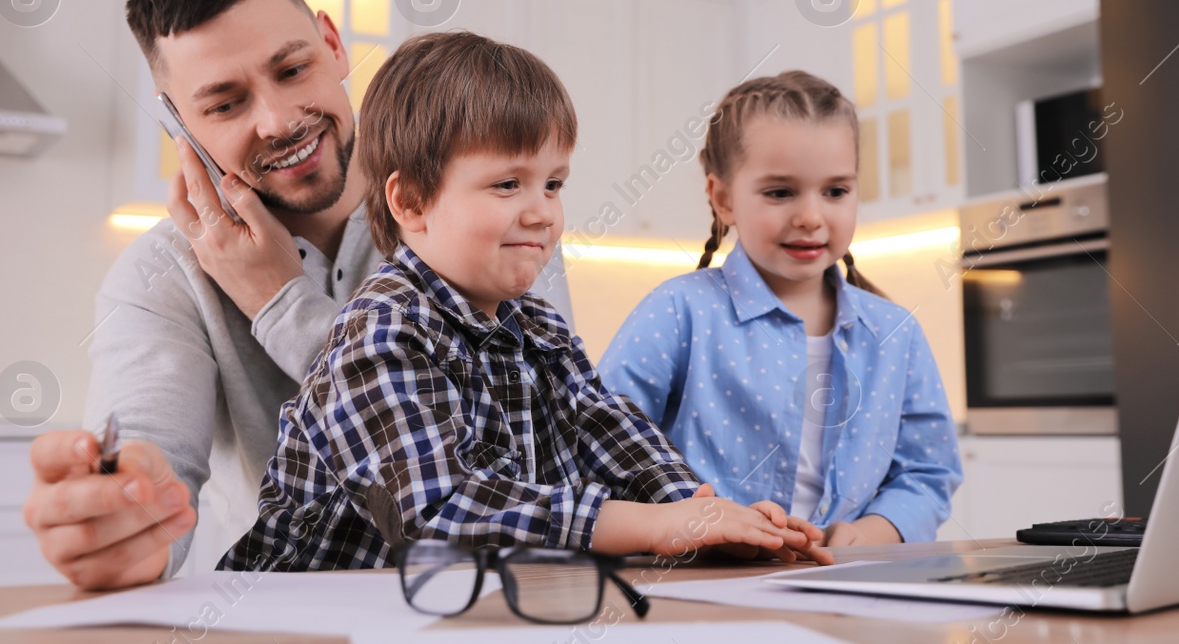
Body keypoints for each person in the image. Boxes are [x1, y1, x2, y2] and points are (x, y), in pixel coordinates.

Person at [21, 0, 574, 590]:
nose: (280, 120)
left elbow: (531, 449)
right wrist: (128, 524)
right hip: (279, 637)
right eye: (225, 104)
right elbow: (151, 461)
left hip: (494, 603)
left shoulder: (492, 204)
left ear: (334, 45)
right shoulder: (158, 278)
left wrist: (283, 301)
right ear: (178, 125)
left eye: (292, 70)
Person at [220, 32, 830, 570]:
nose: (542, 212)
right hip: (295, 625)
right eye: (508, 184)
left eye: (553, 183)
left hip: (434, 620)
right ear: (411, 204)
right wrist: (656, 527)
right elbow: (439, 515)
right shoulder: (380, 330)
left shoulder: (540, 327)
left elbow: (610, 434)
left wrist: (701, 513)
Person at [597, 71, 962, 547]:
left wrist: (877, 530)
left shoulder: (895, 331)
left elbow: (930, 471)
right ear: (723, 198)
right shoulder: (678, 310)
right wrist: (691, 518)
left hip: (842, 581)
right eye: (780, 192)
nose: (811, 216)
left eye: (835, 191)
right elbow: (602, 444)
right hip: (698, 578)